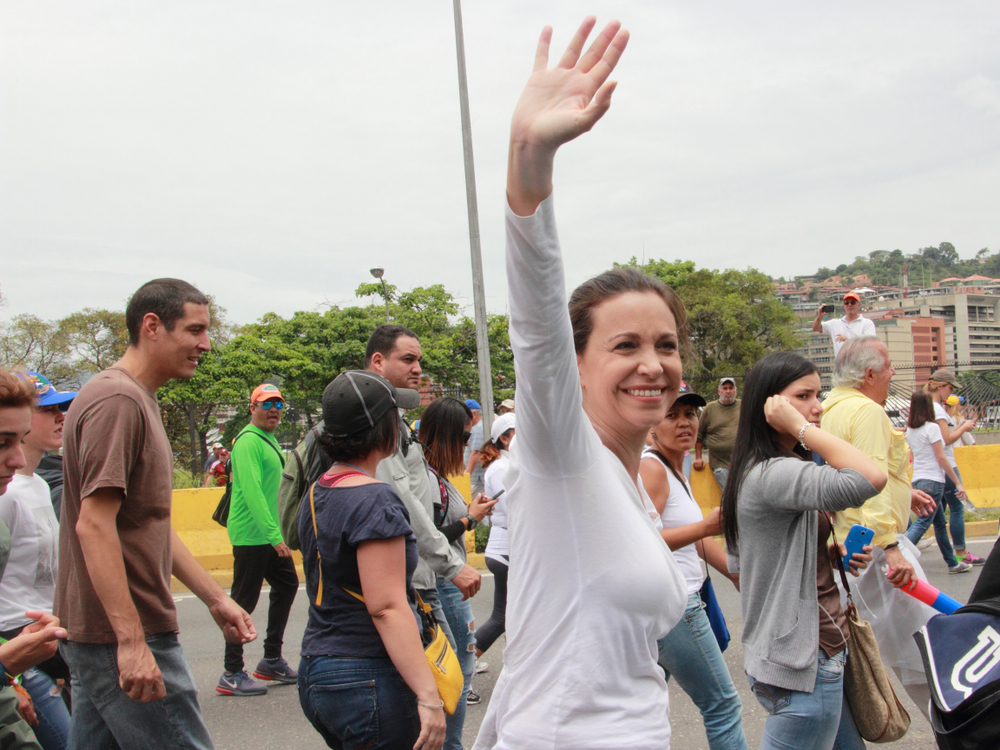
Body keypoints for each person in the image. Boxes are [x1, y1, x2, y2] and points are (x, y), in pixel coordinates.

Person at [473, 18, 688, 749]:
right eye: (624, 345)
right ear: (578, 366)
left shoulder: (629, 479)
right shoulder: (563, 459)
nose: (653, 364)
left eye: (666, 344)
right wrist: (529, 159)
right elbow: (536, 325)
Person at [55, 279, 256, 749]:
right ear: (152, 326)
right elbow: (94, 524)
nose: (205, 344)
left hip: (102, 635)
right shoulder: (118, 401)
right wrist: (129, 641)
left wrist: (214, 598)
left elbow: (148, 525)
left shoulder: (132, 397)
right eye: (195, 330)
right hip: (122, 632)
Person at [721, 351, 885, 750]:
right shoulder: (775, 473)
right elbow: (869, 476)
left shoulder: (754, 468)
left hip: (796, 656)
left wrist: (820, 557)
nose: (818, 406)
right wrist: (801, 428)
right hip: (808, 662)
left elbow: (749, 563)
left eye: (819, 393)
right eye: (804, 396)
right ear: (771, 407)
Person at [297, 370, 445, 750]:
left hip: (319, 668)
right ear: (383, 428)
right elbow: (387, 607)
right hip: (368, 674)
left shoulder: (318, 491)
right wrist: (429, 696)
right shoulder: (375, 499)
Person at [820, 335, 940, 718]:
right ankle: (958, 729)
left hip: (853, 543)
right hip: (877, 548)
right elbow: (870, 481)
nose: (893, 374)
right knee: (928, 654)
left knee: (901, 652)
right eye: (888, 367)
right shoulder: (867, 412)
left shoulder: (832, 407)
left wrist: (906, 498)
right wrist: (890, 546)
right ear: (869, 374)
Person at [639, 390, 746, 750]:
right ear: (652, 424)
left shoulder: (674, 467)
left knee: (645, 706)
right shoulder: (651, 468)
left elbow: (694, 540)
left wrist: (732, 571)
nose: (685, 422)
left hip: (684, 598)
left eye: (690, 414)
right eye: (673, 415)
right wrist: (705, 527)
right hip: (677, 605)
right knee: (723, 704)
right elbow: (641, 543)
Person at [0, 373, 76, 750]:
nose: (61, 417)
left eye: (62, 407)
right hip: (15, 642)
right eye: (48, 410)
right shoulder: (6, 494)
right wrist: (9, 678)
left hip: (45, 641)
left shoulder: (40, 485)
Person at [419, 397, 497, 748]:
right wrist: (470, 519)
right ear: (444, 437)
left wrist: (467, 512)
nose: (468, 447)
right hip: (441, 579)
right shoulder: (423, 477)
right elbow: (428, 537)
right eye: (464, 439)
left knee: (458, 667)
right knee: (455, 670)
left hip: (445, 577)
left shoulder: (434, 474)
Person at [217, 383, 298, 696]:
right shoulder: (249, 442)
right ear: (252, 408)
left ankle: (271, 659)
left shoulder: (268, 440)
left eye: (278, 404)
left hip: (267, 534)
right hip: (253, 536)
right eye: (266, 404)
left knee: (288, 584)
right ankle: (231, 672)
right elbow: (252, 493)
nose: (273, 410)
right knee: (241, 603)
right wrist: (274, 534)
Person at [902, 391, 972, 574]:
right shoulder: (931, 428)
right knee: (923, 523)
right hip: (934, 481)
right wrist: (958, 483)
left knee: (939, 523)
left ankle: (953, 564)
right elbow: (941, 458)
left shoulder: (910, 429)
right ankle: (898, 556)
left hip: (918, 480)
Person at [924, 368, 983, 565]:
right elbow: (946, 440)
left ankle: (952, 559)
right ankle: (960, 552)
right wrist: (964, 428)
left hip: (933, 466)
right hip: (946, 464)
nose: (951, 392)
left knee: (938, 519)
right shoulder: (938, 409)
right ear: (940, 386)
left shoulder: (926, 406)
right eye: (950, 387)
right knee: (957, 509)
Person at [473, 413, 515, 662]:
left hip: (510, 547)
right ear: (504, 438)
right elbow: (514, 509)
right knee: (502, 618)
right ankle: (460, 675)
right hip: (506, 549)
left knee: (516, 617)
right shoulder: (501, 467)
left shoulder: (509, 463)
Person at [693, 378, 741, 491]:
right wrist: (698, 458)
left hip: (742, 462)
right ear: (719, 391)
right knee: (730, 494)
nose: (728, 391)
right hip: (720, 464)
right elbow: (699, 435)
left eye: (731, 388)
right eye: (725, 388)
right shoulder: (710, 408)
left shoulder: (744, 406)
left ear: (736, 390)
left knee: (745, 494)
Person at [812, 292, 876, 358]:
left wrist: (848, 341)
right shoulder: (835, 323)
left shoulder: (867, 323)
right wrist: (819, 317)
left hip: (859, 366)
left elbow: (869, 346)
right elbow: (816, 328)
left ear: (858, 305)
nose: (849, 305)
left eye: (853, 302)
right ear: (844, 305)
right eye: (846, 303)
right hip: (840, 366)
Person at [463, 400, 485, 498]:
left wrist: (466, 475)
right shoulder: (477, 427)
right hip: (476, 477)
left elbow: (476, 453)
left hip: (476, 478)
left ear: (474, 414)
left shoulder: (478, 429)